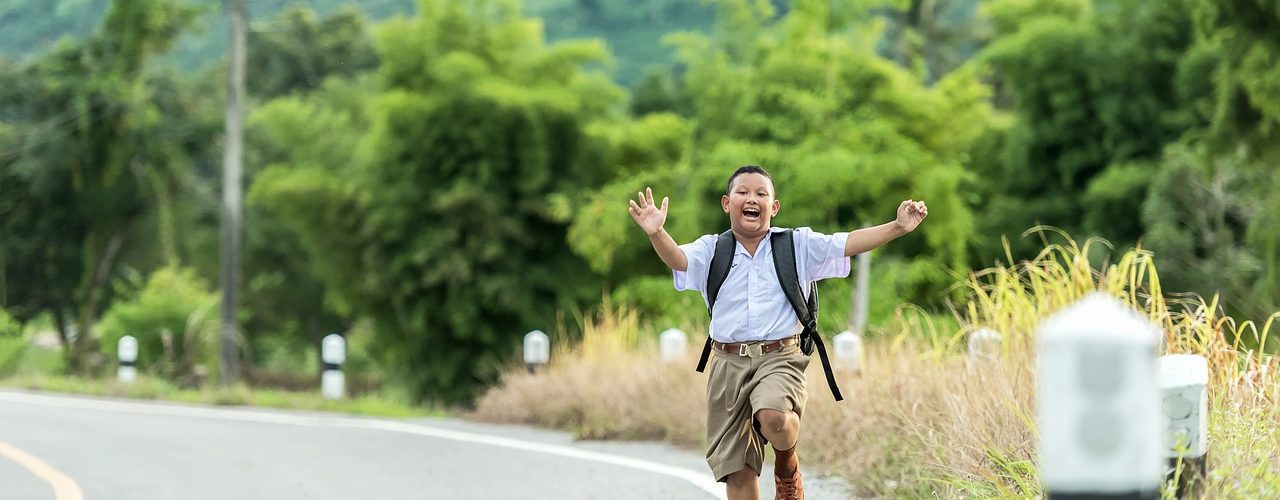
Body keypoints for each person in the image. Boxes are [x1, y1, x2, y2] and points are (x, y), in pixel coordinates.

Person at [627, 165, 927, 500]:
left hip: (780, 356)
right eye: (742, 192)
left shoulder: (796, 245)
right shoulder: (713, 249)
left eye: (761, 194)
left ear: (774, 206)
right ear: (727, 203)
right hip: (727, 363)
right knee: (738, 470)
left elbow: (846, 243)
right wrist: (656, 233)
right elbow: (679, 260)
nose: (751, 199)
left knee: (776, 419)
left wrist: (898, 227)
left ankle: (787, 467)